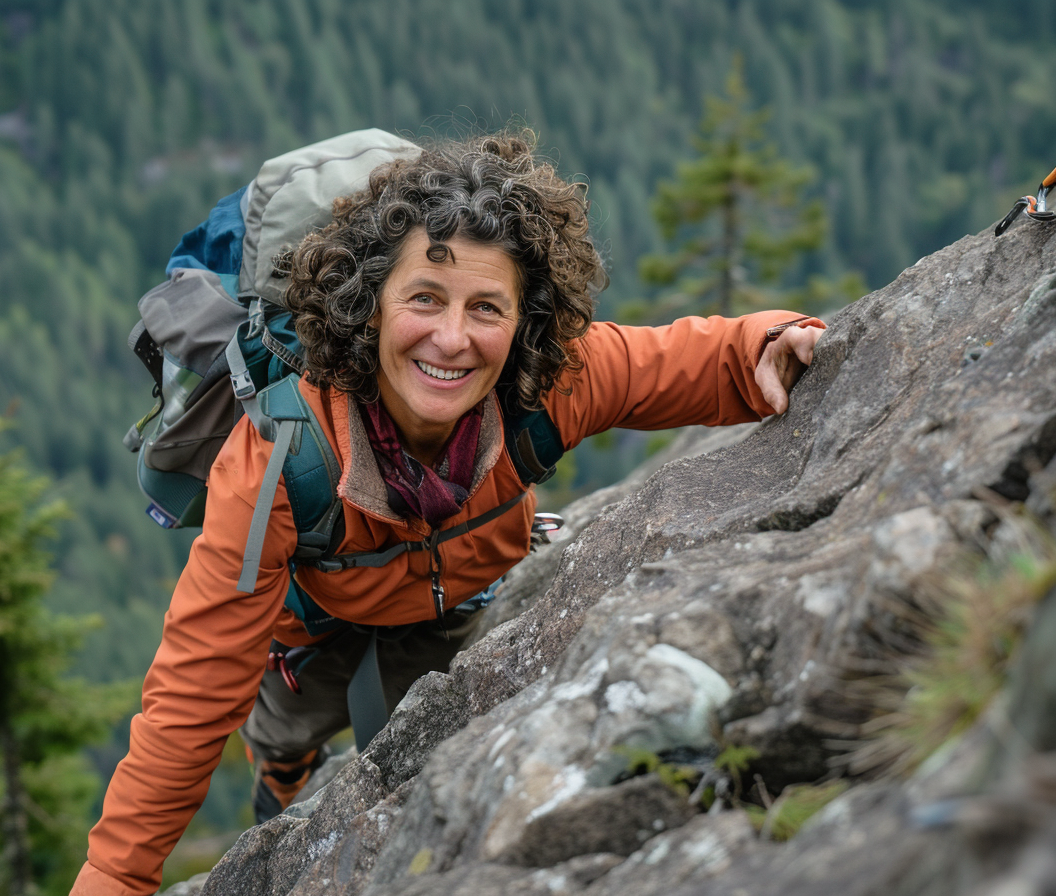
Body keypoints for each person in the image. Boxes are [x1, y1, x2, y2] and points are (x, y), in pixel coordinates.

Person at [70, 131, 824, 896]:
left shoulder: (546, 381)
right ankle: (284, 774)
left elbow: (681, 361)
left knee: (422, 752)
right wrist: (113, 876)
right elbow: (193, 694)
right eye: (424, 299)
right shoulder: (277, 458)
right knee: (286, 736)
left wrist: (769, 342)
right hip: (311, 622)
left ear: (524, 321)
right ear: (369, 308)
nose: (453, 339)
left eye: (486, 308)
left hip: (456, 596)